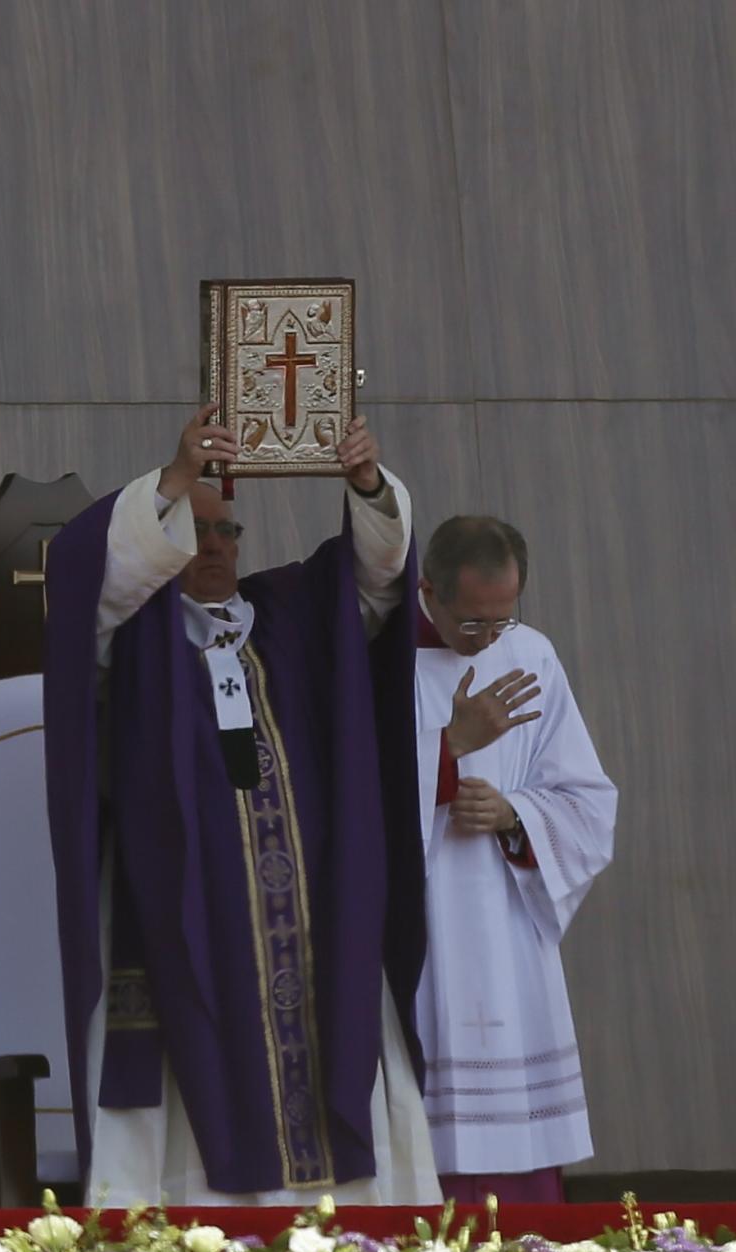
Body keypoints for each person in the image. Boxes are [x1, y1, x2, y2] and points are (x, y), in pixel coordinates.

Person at [44, 406, 439, 1205]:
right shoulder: (135, 634)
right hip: (187, 913)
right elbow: (93, 579)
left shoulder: (291, 616)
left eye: (228, 533)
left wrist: (365, 484)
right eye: (195, 530)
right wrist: (177, 476)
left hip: (313, 912)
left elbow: (377, 585)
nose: (214, 548)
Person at [412, 516, 617, 1203]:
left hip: (504, 927)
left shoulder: (532, 654)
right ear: (428, 590)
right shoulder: (377, 658)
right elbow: (340, 803)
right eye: (472, 624)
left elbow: (587, 800)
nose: (488, 640)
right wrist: (444, 756)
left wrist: (513, 815)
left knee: (517, 1175)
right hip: (420, 927)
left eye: (502, 620)